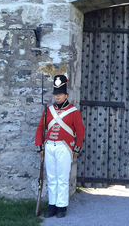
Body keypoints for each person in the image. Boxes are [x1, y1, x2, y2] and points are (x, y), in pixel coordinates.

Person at [35, 75, 86, 218]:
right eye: (56, 94)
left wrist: (77, 147)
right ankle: (52, 205)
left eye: (60, 94)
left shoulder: (73, 111)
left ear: (66, 95)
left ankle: (61, 206)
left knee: (62, 178)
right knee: (51, 177)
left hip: (65, 147)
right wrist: (39, 146)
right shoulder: (49, 111)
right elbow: (40, 129)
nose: (57, 97)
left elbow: (80, 131)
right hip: (49, 146)